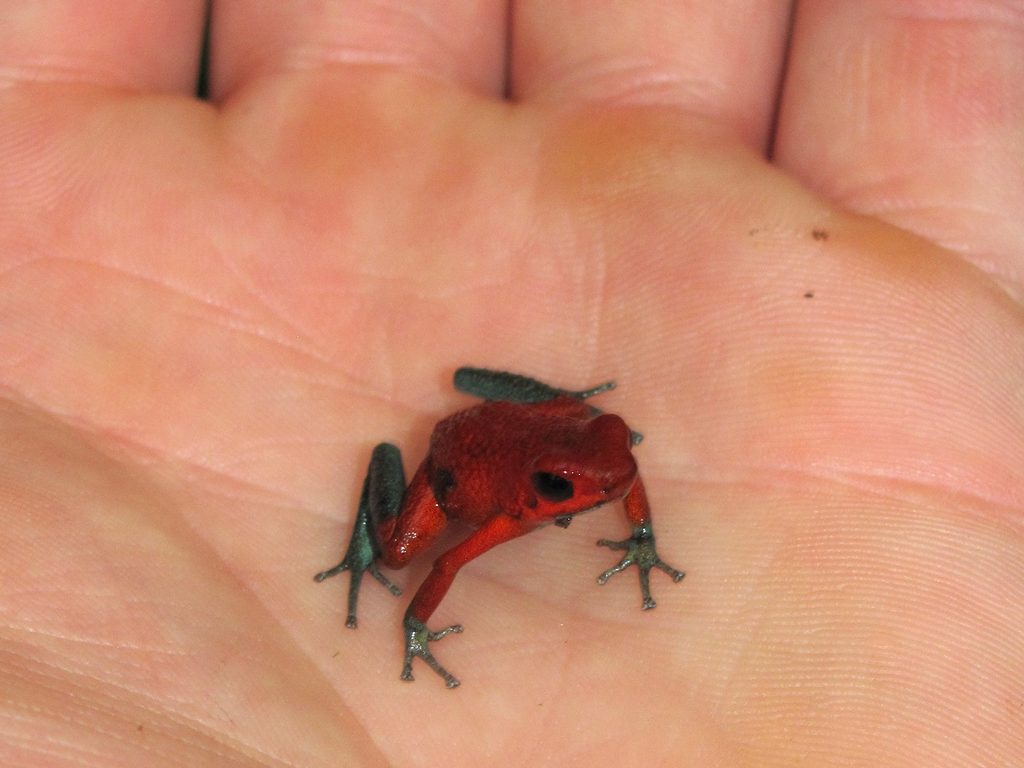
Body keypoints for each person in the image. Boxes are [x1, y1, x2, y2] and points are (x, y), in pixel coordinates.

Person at [1, 3, 1021, 766]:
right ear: (543, 496)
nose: (610, 485)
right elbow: (442, 576)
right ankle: (357, 544)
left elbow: (620, 470)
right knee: (404, 553)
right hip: (458, 466)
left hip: (516, 425)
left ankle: (557, 407)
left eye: (604, 470)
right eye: (580, 488)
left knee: (562, 429)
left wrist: (637, 521)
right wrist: (407, 620)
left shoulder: (604, 471)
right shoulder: (498, 518)